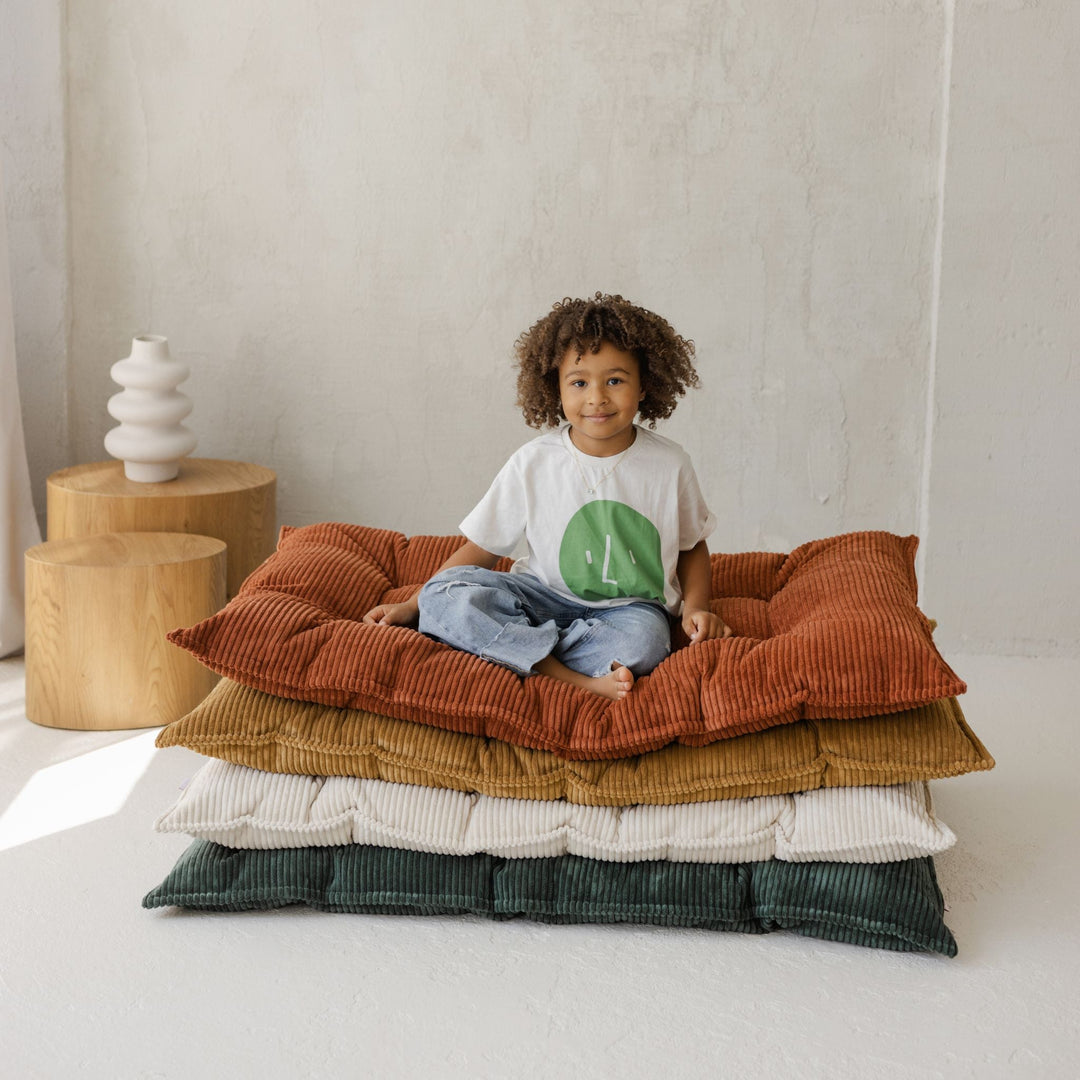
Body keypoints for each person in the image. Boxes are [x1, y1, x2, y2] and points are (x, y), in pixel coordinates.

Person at [363, 292, 731, 701]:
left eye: (615, 380)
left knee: (646, 645)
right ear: (555, 388)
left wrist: (698, 607)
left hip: (627, 611)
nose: (597, 397)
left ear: (643, 386)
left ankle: (522, 652)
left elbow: (691, 543)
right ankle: (569, 675)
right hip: (538, 596)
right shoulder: (534, 461)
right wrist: (414, 604)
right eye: (579, 382)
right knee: (443, 594)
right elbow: (481, 551)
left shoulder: (669, 464)